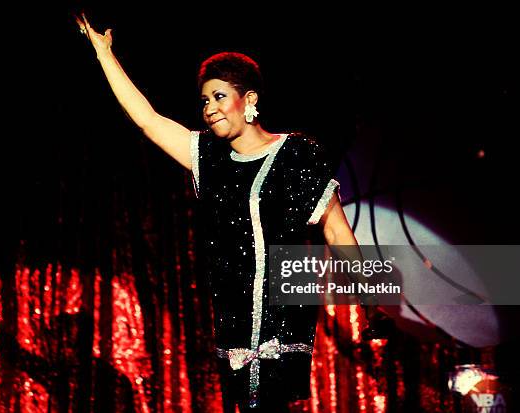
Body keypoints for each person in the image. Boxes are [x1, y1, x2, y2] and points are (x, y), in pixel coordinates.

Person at [76, 14, 386, 413]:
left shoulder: (296, 153)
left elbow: (337, 232)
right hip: (233, 321)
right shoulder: (208, 157)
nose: (209, 108)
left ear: (250, 99)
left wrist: (371, 297)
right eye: (205, 100)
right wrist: (105, 55)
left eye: (219, 96)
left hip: (282, 317)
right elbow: (148, 119)